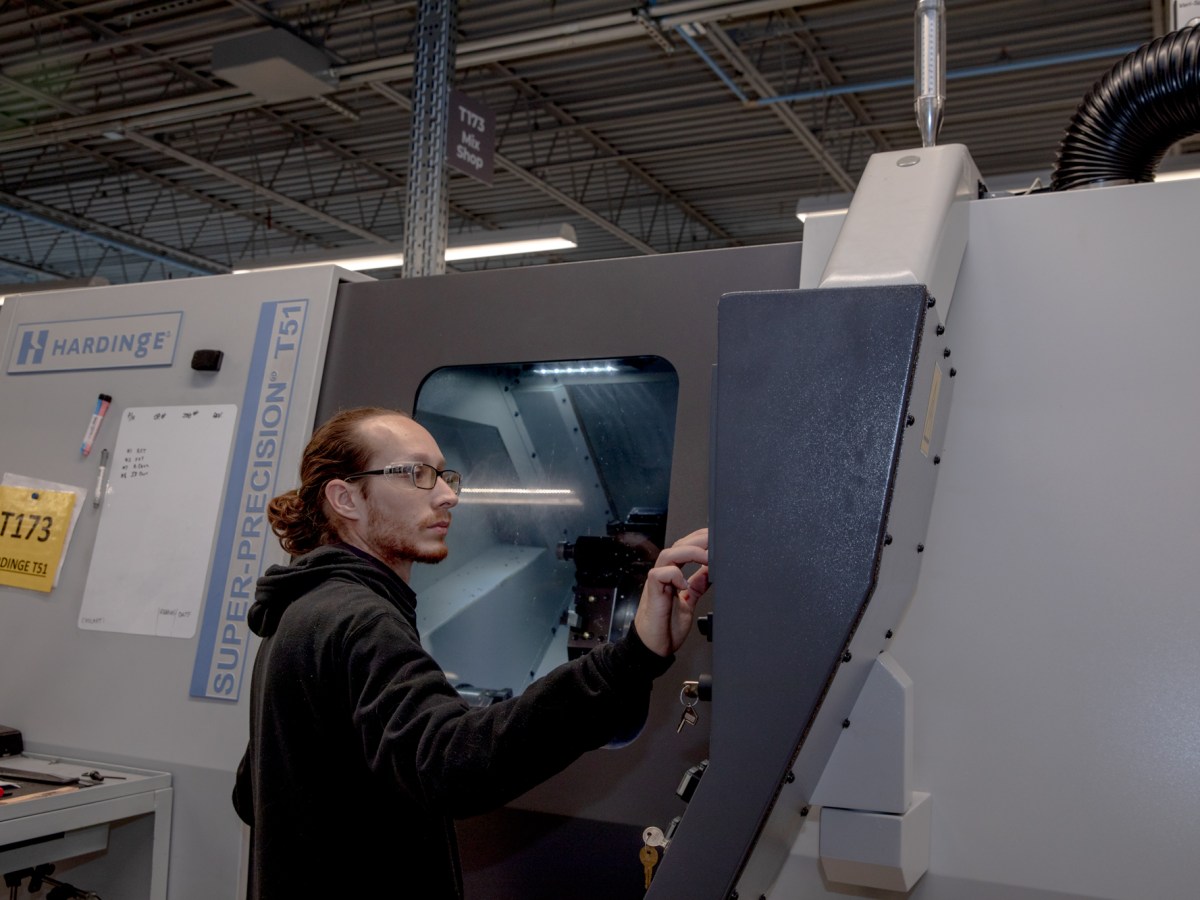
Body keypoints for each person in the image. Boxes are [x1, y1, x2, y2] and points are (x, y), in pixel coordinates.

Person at [233, 406, 708, 899]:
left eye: (444, 475)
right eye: (418, 474)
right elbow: (452, 765)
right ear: (345, 497)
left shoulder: (300, 612)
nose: (447, 494)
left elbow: (253, 792)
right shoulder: (360, 620)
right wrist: (629, 659)